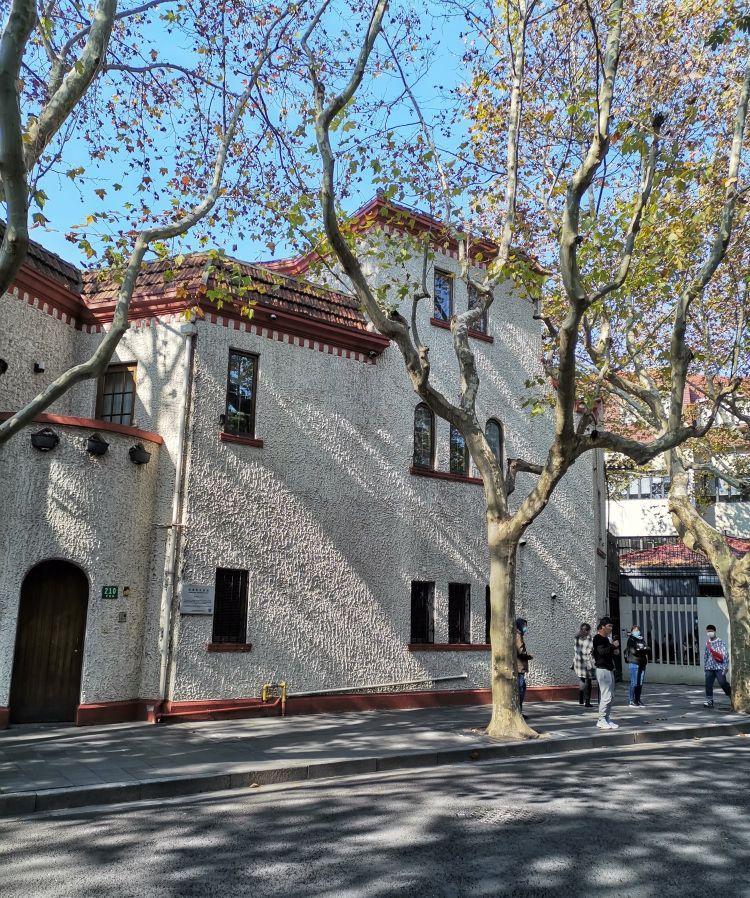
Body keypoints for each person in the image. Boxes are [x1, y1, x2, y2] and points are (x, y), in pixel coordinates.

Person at [592, 616, 620, 729]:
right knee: (606, 696)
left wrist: (615, 650)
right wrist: (613, 646)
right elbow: (601, 652)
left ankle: (607, 719)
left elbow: (609, 652)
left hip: (609, 669)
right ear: (602, 627)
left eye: (612, 626)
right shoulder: (597, 638)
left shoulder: (607, 639)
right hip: (602, 669)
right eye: (609, 626)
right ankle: (601, 719)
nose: (611, 628)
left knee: (611, 696)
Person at [703, 624, 731, 708]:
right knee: (708, 684)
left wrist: (725, 666)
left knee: (723, 683)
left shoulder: (720, 642)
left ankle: (731, 696)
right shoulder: (707, 643)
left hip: (719, 667)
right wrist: (705, 667)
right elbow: (706, 655)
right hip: (709, 667)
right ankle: (709, 701)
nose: (709, 633)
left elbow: (725, 654)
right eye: (708, 631)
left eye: (711, 631)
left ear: (715, 631)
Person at [625, 624, 650, 707]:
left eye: (638, 630)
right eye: (635, 630)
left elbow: (648, 649)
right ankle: (631, 701)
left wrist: (641, 649)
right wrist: (642, 650)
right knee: (634, 683)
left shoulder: (641, 639)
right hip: (634, 663)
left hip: (642, 663)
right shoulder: (631, 639)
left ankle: (637, 700)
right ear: (632, 631)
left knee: (640, 683)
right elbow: (633, 651)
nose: (637, 631)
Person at [572, 623, 595, 707]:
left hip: (578, 662)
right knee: (588, 682)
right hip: (587, 663)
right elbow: (592, 650)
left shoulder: (576, 639)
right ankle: (587, 702)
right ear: (588, 631)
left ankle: (581, 699)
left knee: (582, 680)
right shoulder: (590, 640)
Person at [515, 618, 533, 718]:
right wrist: (529, 656)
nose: (525, 628)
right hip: (519, 666)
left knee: (521, 687)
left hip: (518, 666)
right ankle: (519, 712)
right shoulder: (518, 635)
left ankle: (519, 711)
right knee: (521, 688)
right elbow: (521, 651)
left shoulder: (516, 634)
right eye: (525, 626)